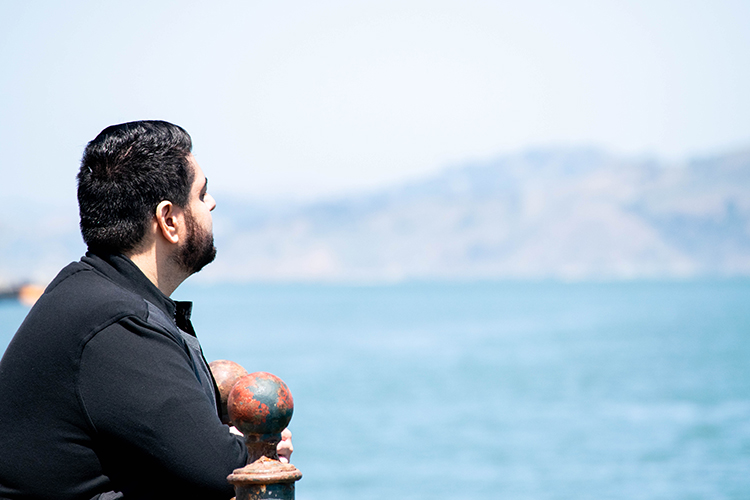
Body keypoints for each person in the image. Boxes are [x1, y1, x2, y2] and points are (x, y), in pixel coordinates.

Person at [0, 121, 291, 499]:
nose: (212, 203)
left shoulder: (91, 293)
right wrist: (262, 445)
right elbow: (224, 470)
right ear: (169, 220)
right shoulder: (116, 326)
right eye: (202, 194)